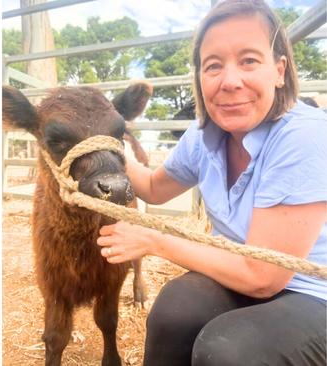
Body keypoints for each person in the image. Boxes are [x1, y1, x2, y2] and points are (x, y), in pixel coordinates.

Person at [96, 1, 326, 365]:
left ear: (279, 70)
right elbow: (155, 188)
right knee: (173, 311)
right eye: (213, 65)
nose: (230, 81)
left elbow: (263, 275)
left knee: (225, 352)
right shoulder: (204, 135)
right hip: (240, 277)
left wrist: (154, 240)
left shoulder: (304, 135)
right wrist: (103, 145)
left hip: (313, 294)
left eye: (249, 60)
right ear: (200, 77)